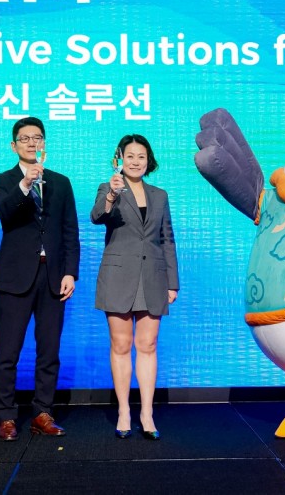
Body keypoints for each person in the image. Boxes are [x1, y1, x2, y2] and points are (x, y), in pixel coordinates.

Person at [0, 117, 80, 441]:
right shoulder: (1, 181)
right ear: (13, 145)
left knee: (49, 350)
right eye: (25, 138)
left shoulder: (61, 182)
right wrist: (25, 184)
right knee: (7, 351)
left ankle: (42, 412)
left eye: (37, 137)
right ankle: (6, 416)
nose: (31, 143)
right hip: (14, 276)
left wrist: (70, 272)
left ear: (44, 143)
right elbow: (5, 213)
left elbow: (70, 230)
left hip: (52, 276)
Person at [90, 134, 179, 440]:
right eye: (130, 156)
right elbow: (97, 217)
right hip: (118, 276)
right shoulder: (108, 188)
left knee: (148, 344)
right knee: (121, 345)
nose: (136, 161)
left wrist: (172, 282)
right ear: (120, 159)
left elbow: (167, 239)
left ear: (148, 160)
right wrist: (112, 196)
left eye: (141, 156)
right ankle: (124, 411)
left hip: (153, 276)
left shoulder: (160, 195)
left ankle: (147, 413)